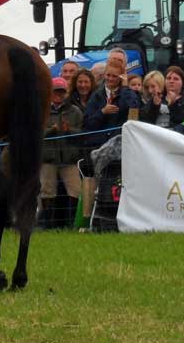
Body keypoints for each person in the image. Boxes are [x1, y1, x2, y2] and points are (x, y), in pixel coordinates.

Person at [40, 78, 85, 227]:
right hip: (47, 158)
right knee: (47, 192)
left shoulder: (75, 111)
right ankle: (48, 226)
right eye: (56, 91)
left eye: (62, 92)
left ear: (66, 93)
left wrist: (69, 130)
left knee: (77, 191)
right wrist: (50, 130)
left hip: (69, 159)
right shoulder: (41, 110)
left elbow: (82, 134)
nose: (59, 95)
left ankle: (73, 224)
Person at [84, 66, 141, 144]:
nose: (110, 79)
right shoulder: (96, 95)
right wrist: (102, 112)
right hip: (99, 144)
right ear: (104, 75)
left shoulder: (128, 93)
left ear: (121, 77)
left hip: (121, 142)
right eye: (108, 75)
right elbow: (88, 124)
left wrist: (125, 88)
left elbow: (134, 110)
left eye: (114, 76)